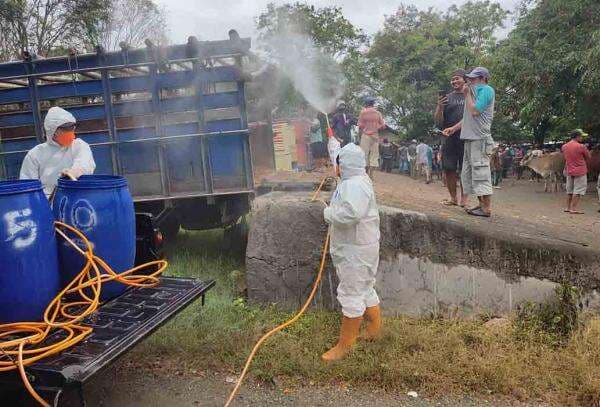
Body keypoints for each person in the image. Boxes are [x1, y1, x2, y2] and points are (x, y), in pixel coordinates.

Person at [321, 143, 381, 362]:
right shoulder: (358, 179)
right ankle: (374, 331)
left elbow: (350, 214)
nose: (334, 166)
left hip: (355, 250)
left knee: (351, 293)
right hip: (363, 246)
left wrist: (328, 213)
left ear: (343, 166)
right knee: (365, 288)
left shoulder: (353, 186)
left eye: (336, 163)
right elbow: (341, 159)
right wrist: (334, 146)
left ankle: (345, 346)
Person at [443, 67, 495, 217]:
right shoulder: (474, 93)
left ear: (483, 78)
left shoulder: (487, 90)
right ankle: (481, 204)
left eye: (473, 79)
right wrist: (453, 128)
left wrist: (466, 95)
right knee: (470, 174)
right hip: (470, 138)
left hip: (480, 138)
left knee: (481, 172)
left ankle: (486, 208)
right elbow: (467, 118)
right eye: (469, 79)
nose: (470, 81)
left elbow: (475, 111)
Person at [20, 106, 96, 197]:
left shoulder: (79, 146)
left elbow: (85, 163)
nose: (70, 132)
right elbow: (28, 186)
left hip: (76, 197)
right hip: (46, 203)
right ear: (53, 131)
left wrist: (73, 172)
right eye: (65, 129)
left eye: (72, 128)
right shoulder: (35, 154)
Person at [435, 69, 468, 207]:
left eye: (457, 78)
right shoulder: (447, 97)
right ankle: (453, 198)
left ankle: (464, 200)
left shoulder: (470, 96)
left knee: (466, 169)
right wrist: (440, 107)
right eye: (452, 79)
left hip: (466, 137)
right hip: (448, 137)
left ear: (465, 80)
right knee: (449, 168)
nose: (454, 81)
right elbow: (438, 122)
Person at [562, 129, 591, 214]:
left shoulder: (564, 146)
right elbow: (588, 157)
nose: (582, 138)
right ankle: (573, 209)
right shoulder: (581, 146)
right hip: (580, 171)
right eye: (581, 136)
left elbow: (566, 158)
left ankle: (567, 208)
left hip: (569, 170)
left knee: (569, 190)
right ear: (577, 136)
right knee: (578, 190)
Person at [358, 97, 385, 177]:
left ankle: (365, 174)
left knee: (364, 154)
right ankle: (371, 175)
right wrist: (377, 126)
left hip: (366, 135)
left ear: (366, 104)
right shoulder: (378, 113)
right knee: (374, 155)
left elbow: (360, 125)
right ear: (373, 104)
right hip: (375, 136)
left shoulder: (363, 113)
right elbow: (383, 126)